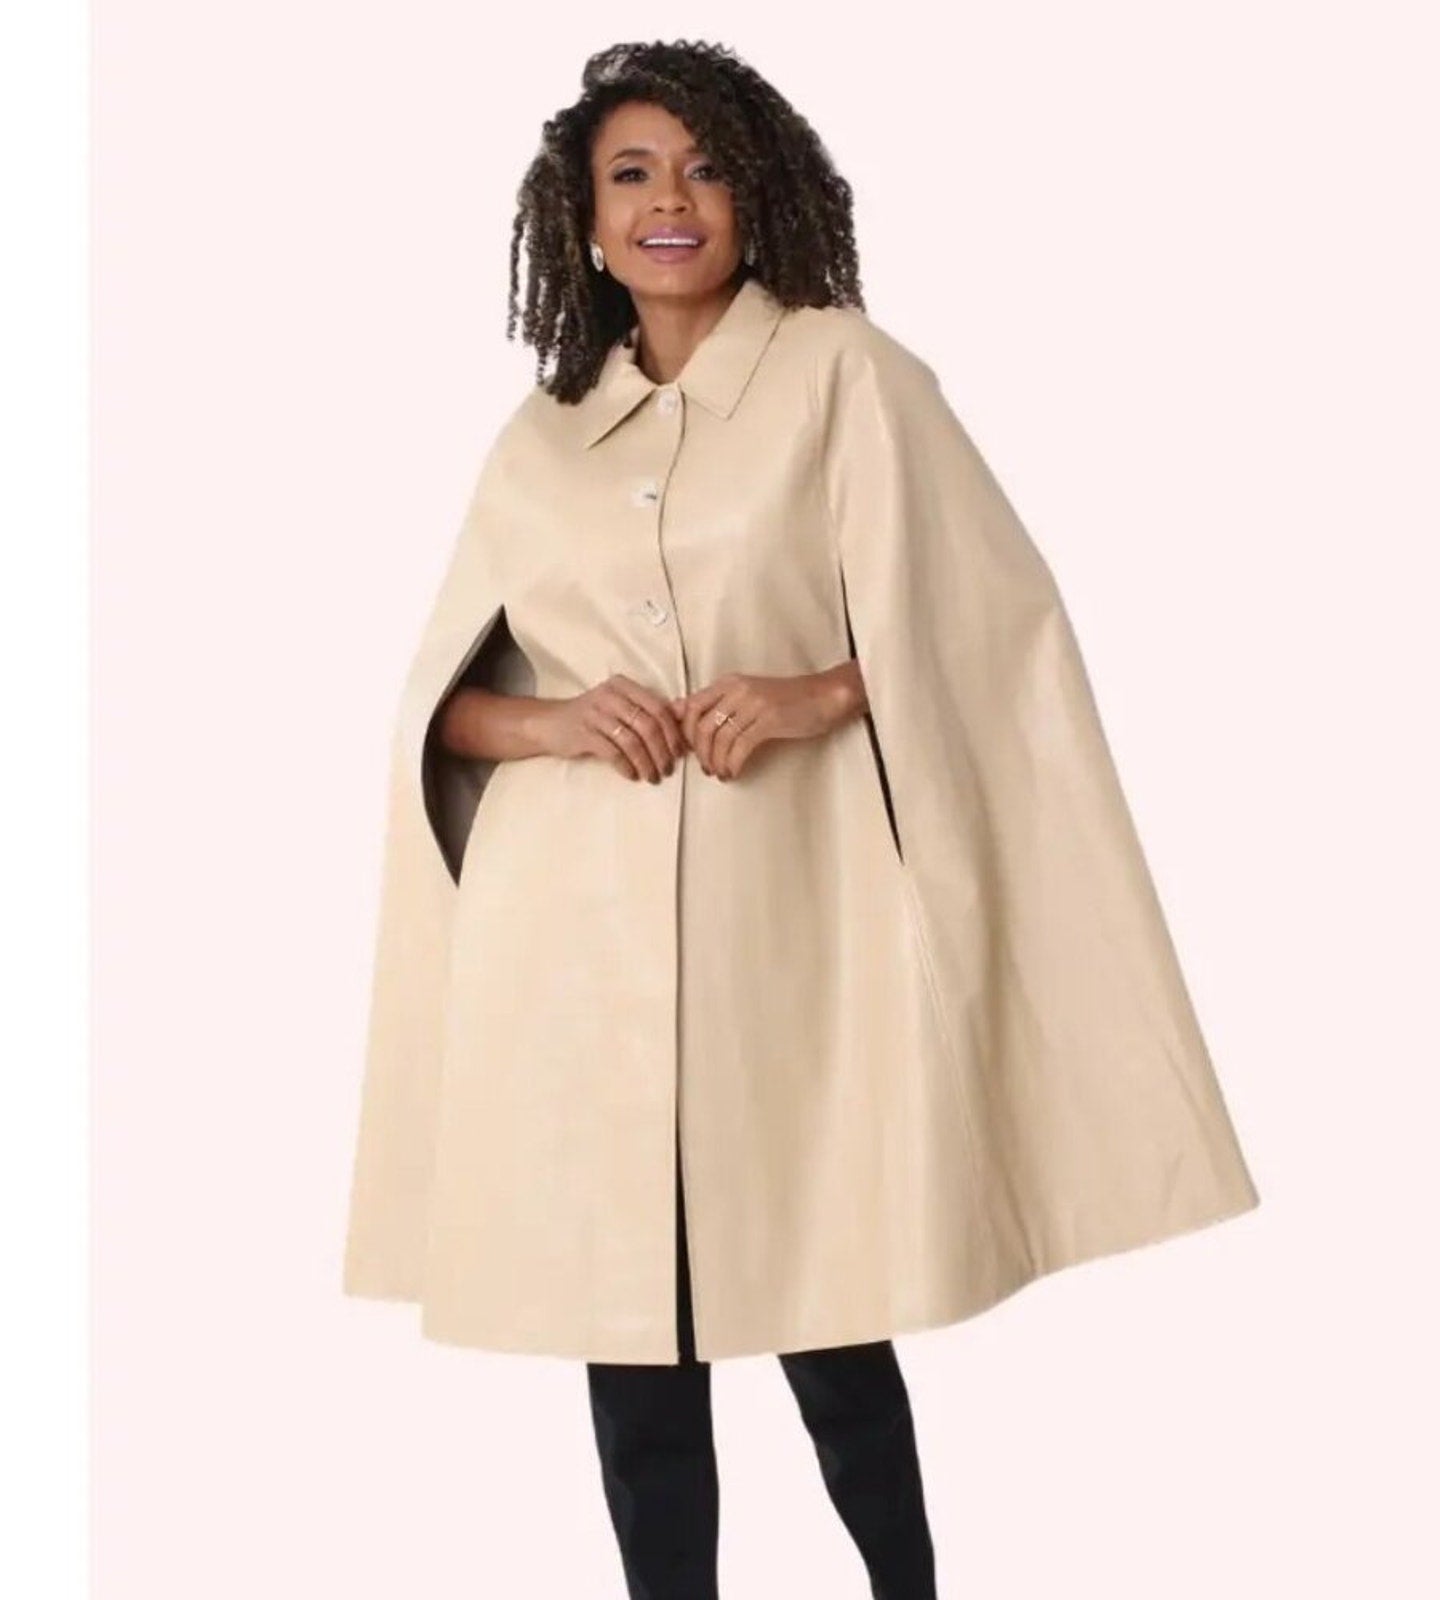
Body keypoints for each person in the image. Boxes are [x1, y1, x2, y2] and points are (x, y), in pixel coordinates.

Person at [343, 37, 1259, 1600]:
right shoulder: (541, 439)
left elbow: (993, 627)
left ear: (758, 195)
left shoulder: (848, 375)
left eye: (705, 168)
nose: (671, 200)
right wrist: (562, 718)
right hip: (581, 957)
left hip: (791, 935)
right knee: (632, 1354)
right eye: (632, 174)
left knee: (832, 1322)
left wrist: (819, 691)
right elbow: (448, 711)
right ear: (584, 220)